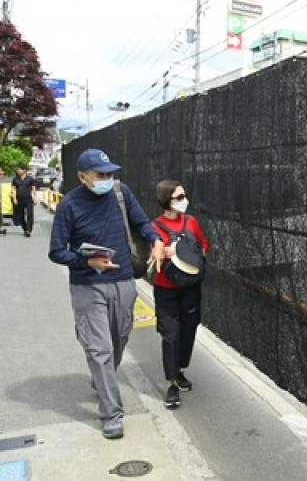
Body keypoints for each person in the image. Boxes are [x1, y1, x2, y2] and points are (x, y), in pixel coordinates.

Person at [48, 148, 164, 439]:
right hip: (87, 285)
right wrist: (85, 260)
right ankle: (111, 413)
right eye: (100, 175)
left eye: (110, 173)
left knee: (119, 338)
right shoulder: (69, 206)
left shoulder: (120, 192)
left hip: (123, 280)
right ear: (82, 176)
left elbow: (141, 222)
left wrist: (156, 240)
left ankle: (102, 378)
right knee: (100, 349)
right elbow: (56, 251)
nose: (107, 179)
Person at [150, 179, 209, 409]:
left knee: (189, 327)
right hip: (166, 287)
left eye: (184, 196)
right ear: (167, 200)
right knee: (170, 334)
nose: (185, 201)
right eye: (179, 197)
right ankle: (172, 382)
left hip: (191, 286)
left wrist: (186, 250)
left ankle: (180, 368)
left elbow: (204, 245)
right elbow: (152, 253)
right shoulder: (154, 226)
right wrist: (162, 252)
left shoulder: (191, 221)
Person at [11, 163, 37, 237]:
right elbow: (13, 189)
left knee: (29, 214)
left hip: (28, 199)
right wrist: (14, 198)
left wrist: (35, 198)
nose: (18, 171)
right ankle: (25, 228)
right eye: (17, 169)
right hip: (19, 199)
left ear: (24, 170)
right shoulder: (15, 179)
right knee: (21, 216)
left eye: (19, 169)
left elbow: (33, 189)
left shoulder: (30, 179)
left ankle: (29, 230)